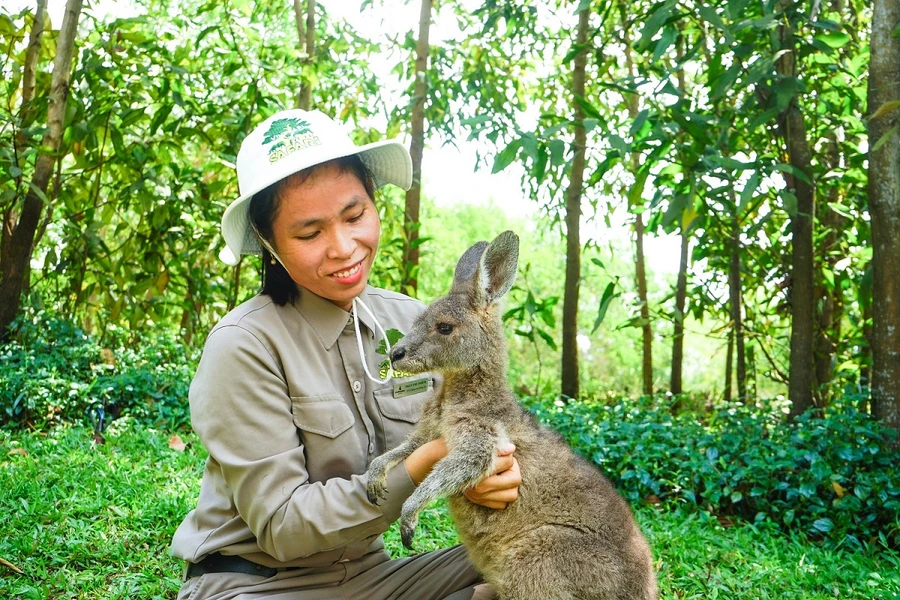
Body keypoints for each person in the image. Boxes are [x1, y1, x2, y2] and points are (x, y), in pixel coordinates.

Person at [170, 109, 521, 600]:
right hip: (257, 583)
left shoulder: (413, 324)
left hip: (372, 576)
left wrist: (487, 474)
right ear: (270, 244)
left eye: (355, 216)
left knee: (540, 561)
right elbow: (284, 527)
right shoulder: (245, 344)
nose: (343, 247)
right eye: (310, 234)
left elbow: (476, 424)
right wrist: (429, 460)